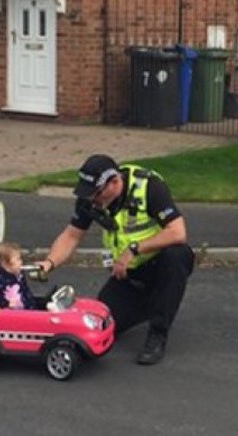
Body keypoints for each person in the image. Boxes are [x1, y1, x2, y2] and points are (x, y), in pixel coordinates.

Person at [39, 154, 195, 365]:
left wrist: (134, 249)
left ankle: (158, 333)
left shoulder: (149, 187)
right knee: (104, 321)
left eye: (96, 193)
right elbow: (72, 235)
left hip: (160, 262)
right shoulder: (92, 199)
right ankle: (151, 304)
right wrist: (49, 263)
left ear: (114, 182)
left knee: (177, 255)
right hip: (128, 272)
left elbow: (177, 232)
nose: (93, 199)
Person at [0, 241, 37, 314]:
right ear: (4, 263)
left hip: (23, 310)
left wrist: (32, 307)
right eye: (18, 259)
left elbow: (25, 291)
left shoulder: (18, 274)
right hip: (6, 313)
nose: (21, 262)